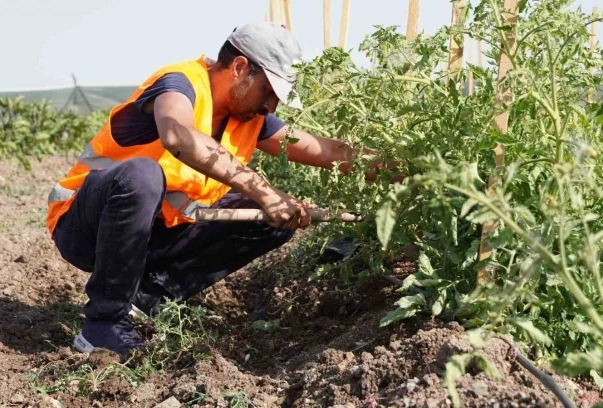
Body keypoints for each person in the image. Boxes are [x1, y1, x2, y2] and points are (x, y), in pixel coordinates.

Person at [46, 22, 389, 357]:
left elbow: (327, 151)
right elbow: (178, 136)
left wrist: (408, 169)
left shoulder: (250, 118)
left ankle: (145, 299)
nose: (272, 106)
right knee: (142, 175)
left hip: (156, 234)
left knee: (269, 219)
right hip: (85, 226)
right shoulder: (179, 85)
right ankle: (102, 325)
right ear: (240, 67)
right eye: (269, 92)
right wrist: (263, 191)